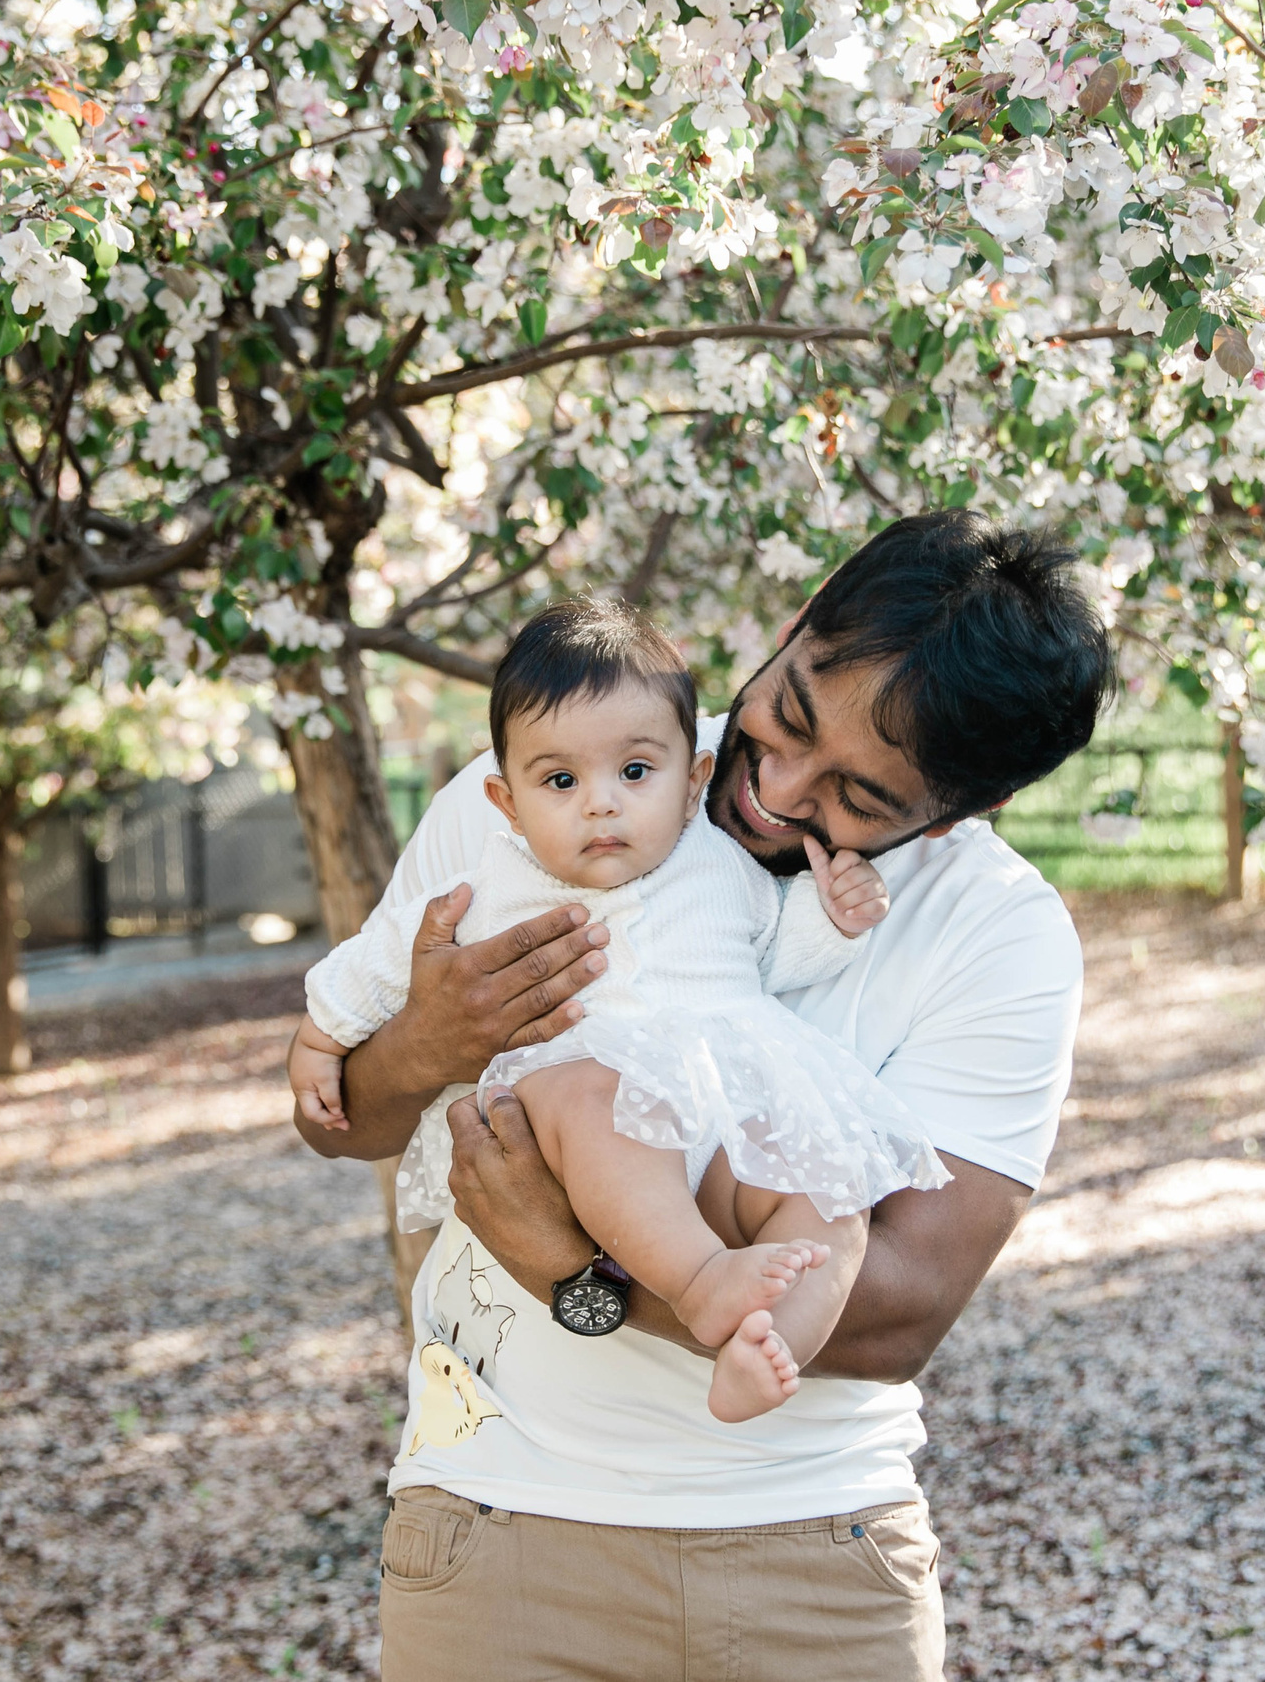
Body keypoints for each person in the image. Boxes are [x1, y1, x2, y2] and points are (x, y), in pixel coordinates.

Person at [294, 511, 1114, 1680]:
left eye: (861, 799)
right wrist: (426, 1043)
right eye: (784, 716)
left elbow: (899, 1312)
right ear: (790, 628)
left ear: (964, 807)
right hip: (496, 1524)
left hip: (815, 1551)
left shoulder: (1001, 934)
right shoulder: (565, 766)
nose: (776, 793)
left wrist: (576, 1277)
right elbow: (346, 1120)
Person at [289, 597, 948, 1422]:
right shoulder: (491, 882)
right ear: (506, 801)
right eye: (561, 781)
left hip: (725, 1117)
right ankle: (702, 1280)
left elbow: (777, 949)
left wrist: (838, 915)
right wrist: (320, 1037)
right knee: (589, 1094)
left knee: (833, 1198)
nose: (600, 803)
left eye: (635, 773)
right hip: (599, 1127)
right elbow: (384, 956)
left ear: (691, 782)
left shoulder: (721, 864)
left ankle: (764, 1344)